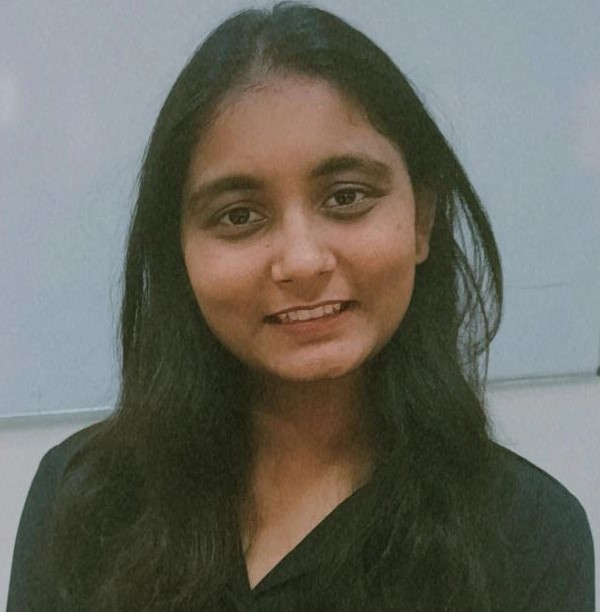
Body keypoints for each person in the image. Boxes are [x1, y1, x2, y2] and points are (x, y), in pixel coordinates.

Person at [7, 3, 594, 611]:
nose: (302, 261)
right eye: (239, 215)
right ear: (179, 249)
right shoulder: (83, 498)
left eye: (346, 197)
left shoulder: (530, 535)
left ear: (421, 219)